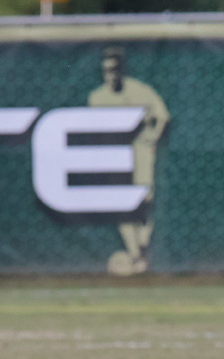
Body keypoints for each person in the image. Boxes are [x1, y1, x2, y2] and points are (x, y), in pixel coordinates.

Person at [88, 47, 170, 276]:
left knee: (144, 200)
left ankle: (142, 246)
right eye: (106, 71)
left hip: (140, 151)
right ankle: (135, 254)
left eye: (115, 70)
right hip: (115, 156)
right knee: (122, 204)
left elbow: (162, 115)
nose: (111, 75)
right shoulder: (97, 97)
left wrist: (151, 138)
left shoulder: (140, 91)